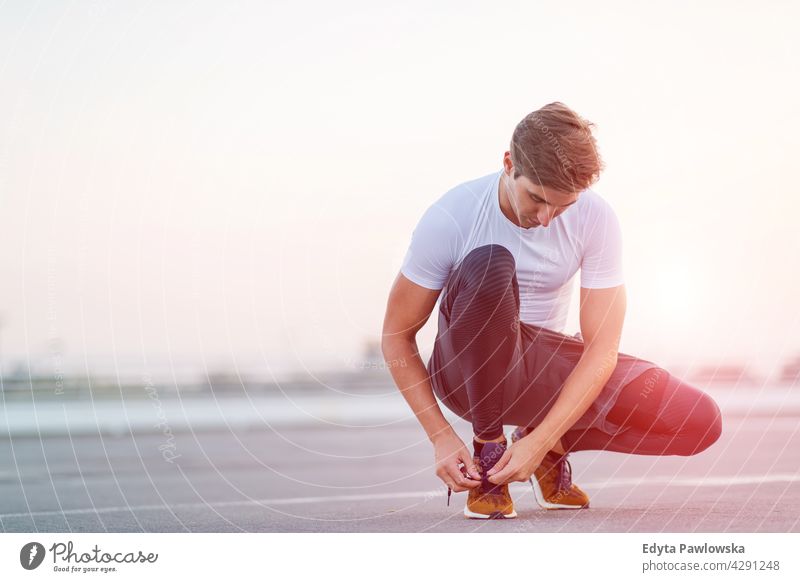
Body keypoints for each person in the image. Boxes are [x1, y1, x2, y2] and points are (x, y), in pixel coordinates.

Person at [381, 102, 723, 519]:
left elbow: (601, 349)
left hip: (543, 371)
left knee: (699, 420)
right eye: (537, 199)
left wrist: (543, 439)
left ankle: (548, 450)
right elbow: (396, 335)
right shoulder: (452, 215)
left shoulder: (597, 218)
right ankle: (488, 450)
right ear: (509, 164)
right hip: (463, 374)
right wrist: (439, 435)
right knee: (492, 263)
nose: (546, 220)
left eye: (562, 207)